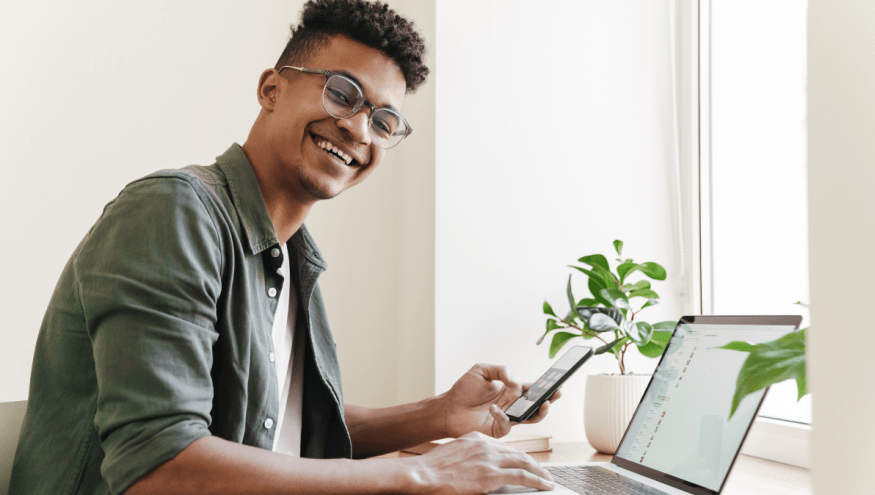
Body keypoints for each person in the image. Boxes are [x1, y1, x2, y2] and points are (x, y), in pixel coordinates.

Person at [10, 1, 560, 494]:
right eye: (342, 93)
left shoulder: (291, 256)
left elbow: (288, 430)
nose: (359, 131)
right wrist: (418, 472)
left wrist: (439, 416)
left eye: (383, 120)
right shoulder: (172, 213)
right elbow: (160, 467)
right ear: (271, 89)